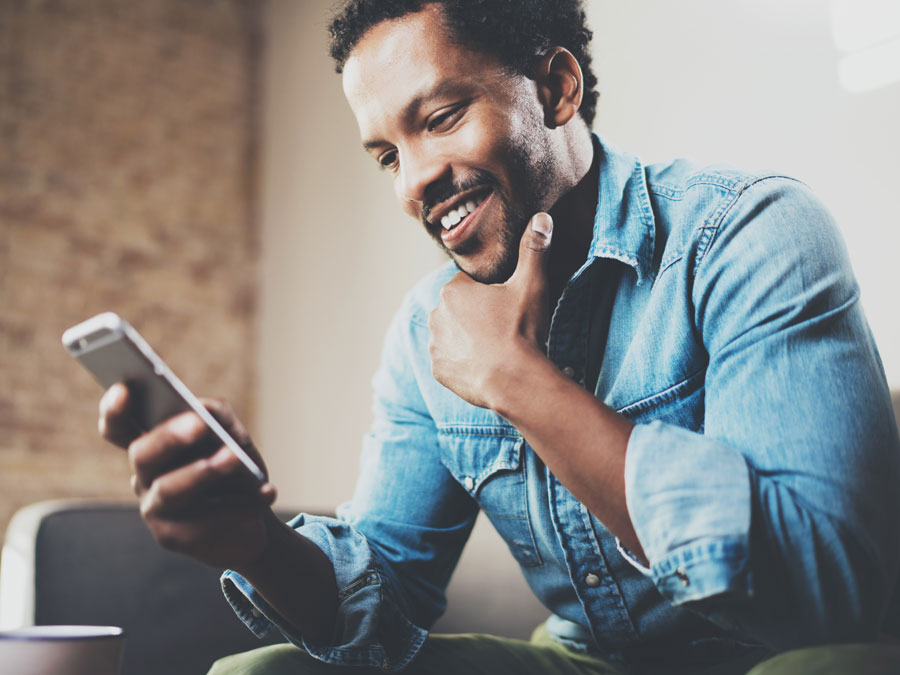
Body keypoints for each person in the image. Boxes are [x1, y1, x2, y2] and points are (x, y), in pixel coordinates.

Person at [98, 1, 900, 673]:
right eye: (386, 155)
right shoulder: (425, 335)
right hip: (588, 660)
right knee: (259, 672)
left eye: (440, 119)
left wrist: (519, 382)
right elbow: (382, 602)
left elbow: (828, 601)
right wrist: (258, 542)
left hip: (769, 654)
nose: (413, 183)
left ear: (556, 88)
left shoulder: (747, 234)